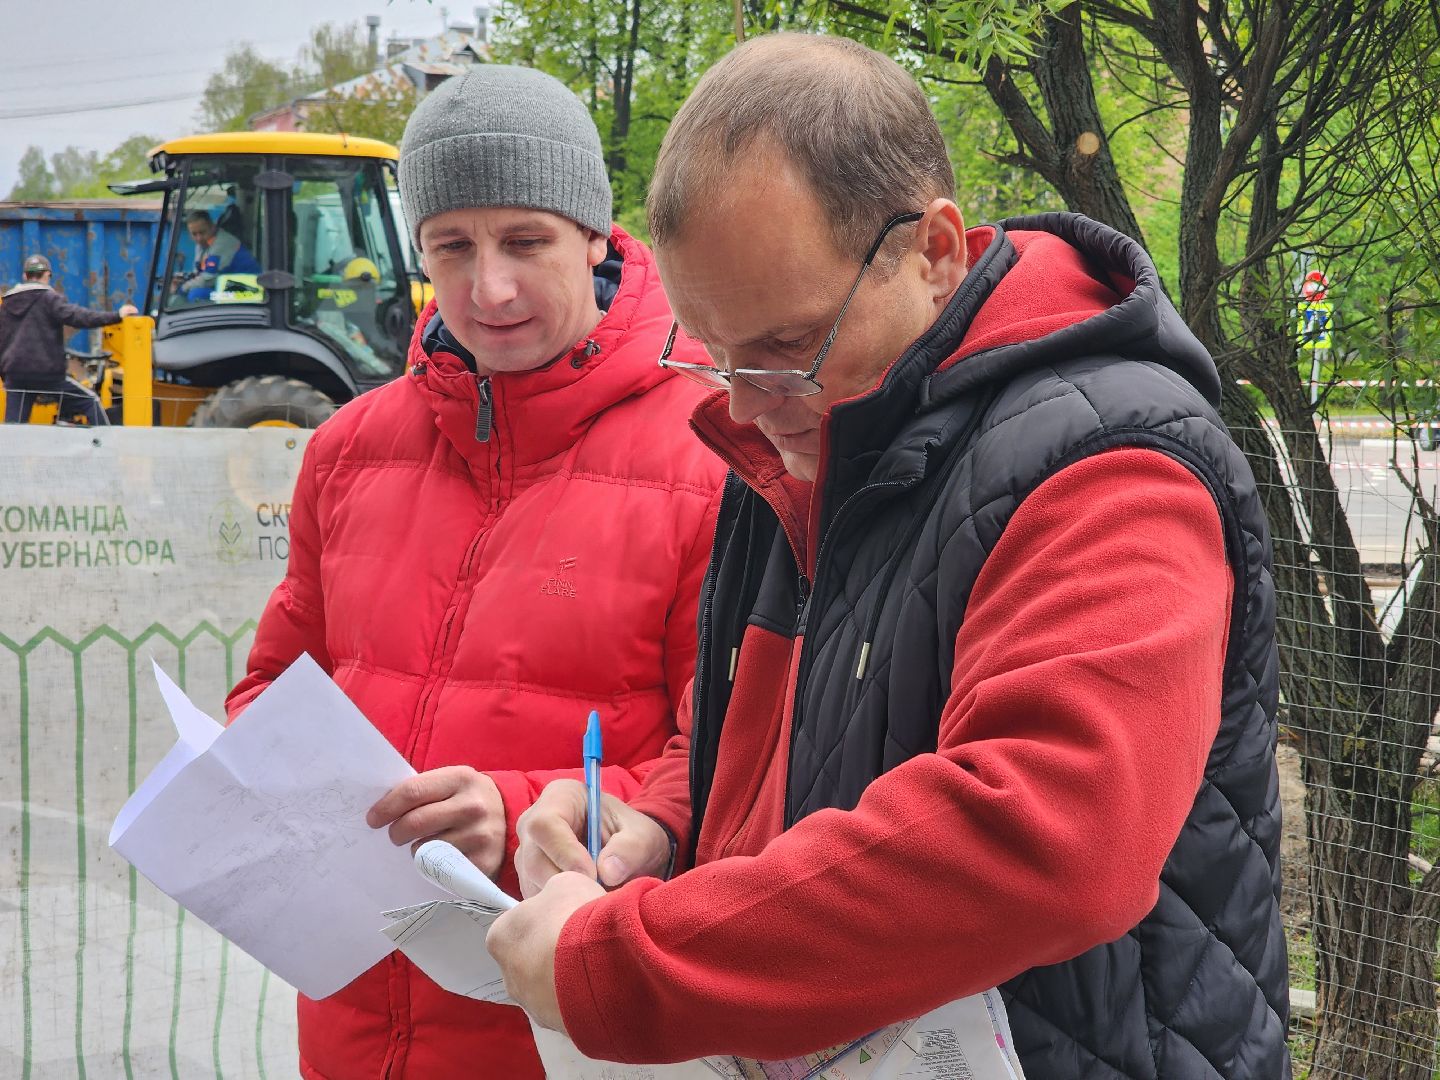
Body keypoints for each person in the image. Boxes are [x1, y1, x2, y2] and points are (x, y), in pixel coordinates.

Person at [488, 33, 1290, 1079]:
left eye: (786, 347)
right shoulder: (805, 443)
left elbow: (1051, 834)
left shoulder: (1109, 461)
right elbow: (753, 728)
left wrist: (632, 965)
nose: (744, 406)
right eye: (712, 354)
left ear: (937, 250)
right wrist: (655, 822)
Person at [223, 64, 725, 1080]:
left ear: (595, 235)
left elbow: (723, 766)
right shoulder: (350, 448)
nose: (487, 288)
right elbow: (272, 689)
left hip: (563, 1026)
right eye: (452, 247)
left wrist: (520, 806)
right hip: (354, 1019)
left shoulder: (713, 454)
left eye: (526, 242)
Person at [0, 254, 137, 424]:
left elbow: (2, 341)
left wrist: (6, 373)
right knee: (90, 401)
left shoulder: (7, 303)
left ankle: (10, 451)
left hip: (16, 373)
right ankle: (107, 447)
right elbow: (80, 317)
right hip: (46, 374)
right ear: (47, 275)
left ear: (25, 276)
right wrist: (117, 315)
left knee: (15, 426)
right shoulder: (49, 299)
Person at [175, 210, 259, 300]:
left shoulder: (222, 243)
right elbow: (199, 273)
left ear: (212, 227)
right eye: (194, 234)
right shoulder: (202, 244)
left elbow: (208, 280)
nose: (199, 238)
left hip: (250, 289)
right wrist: (183, 280)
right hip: (231, 285)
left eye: (202, 232)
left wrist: (180, 289)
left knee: (197, 294)